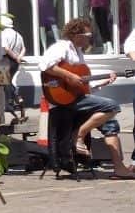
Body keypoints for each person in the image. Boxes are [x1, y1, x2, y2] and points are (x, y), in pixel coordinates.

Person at [40, 17, 134, 177]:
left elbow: (81, 86)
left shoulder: (78, 54)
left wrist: (100, 84)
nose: (90, 39)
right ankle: (79, 134)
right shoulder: (61, 47)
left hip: (77, 98)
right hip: (63, 101)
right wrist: (69, 75)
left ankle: (119, 168)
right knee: (112, 106)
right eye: (88, 35)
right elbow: (44, 65)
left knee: (110, 122)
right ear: (77, 35)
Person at [0, 16, 27, 117]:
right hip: (15, 63)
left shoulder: (3, 34)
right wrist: (19, 57)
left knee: (3, 82)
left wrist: (15, 57)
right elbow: (24, 48)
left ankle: (9, 104)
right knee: (8, 82)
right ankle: (17, 97)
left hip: (5, 59)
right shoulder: (18, 34)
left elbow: (6, 48)